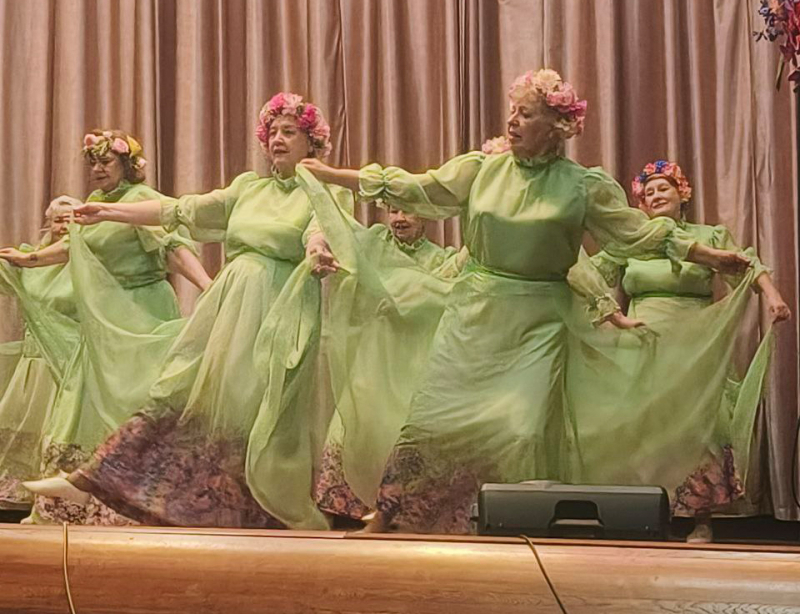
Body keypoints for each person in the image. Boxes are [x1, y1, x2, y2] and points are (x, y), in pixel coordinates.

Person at [299, 68, 750, 533]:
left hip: (541, 320)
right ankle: (389, 516)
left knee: (524, 429)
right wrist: (332, 175)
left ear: (557, 127)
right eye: (512, 111)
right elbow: (417, 188)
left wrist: (708, 255)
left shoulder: (582, 185)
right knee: (428, 423)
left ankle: (516, 525)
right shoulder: (482, 169)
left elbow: (639, 233)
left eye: (526, 114)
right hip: (475, 315)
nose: (512, 121)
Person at [26, 94, 354, 530]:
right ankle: (93, 478)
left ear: (311, 141)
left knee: (255, 416)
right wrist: (109, 210)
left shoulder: (325, 191)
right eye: (273, 131)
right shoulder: (248, 188)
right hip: (230, 305)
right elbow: (179, 209)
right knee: (177, 390)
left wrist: (317, 249)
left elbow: (320, 229)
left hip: (280, 309)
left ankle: (261, 518)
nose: (277, 139)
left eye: (289, 132)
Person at [567, 159, 790, 543]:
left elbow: (747, 264)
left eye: (663, 188)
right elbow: (590, 274)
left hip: (695, 344)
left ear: (682, 193)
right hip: (642, 345)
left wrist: (773, 297)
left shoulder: (708, 237)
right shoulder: (632, 243)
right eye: (648, 192)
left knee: (699, 428)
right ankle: (654, 515)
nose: (656, 195)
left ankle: (702, 518)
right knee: (647, 427)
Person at [6, 129, 210, 524]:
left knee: (138, 400)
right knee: (81, 402)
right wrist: (28, 260)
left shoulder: (141, 200)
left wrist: (207, 285)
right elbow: (72, 248)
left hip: (142, 310)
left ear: (127, 165)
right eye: (93, 163)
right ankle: (72, 503)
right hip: (103, 319)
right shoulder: (96, 203)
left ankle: (137, 503)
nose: (98, 169)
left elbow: (173, 250)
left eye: (107, 161)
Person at [314, 205, 466, 522]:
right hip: (373, 355)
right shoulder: (373, 243)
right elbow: (336, 230)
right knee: (357, 422)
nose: (399, 219)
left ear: (425, 215)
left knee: (401, 431)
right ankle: (345, 513)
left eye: (408, 212)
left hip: (413, 361)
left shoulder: (440, 259)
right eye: (393, 211)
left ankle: (394, 511)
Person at [0, 199, 77, 510]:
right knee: (26, 426)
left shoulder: (85, 263)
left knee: (60, 426)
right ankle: (23, 490)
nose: (63, 226)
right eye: (58, 220)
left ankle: (58, 489)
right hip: (34, 364)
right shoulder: (29, 260)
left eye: (69, 220)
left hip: (68, 359)